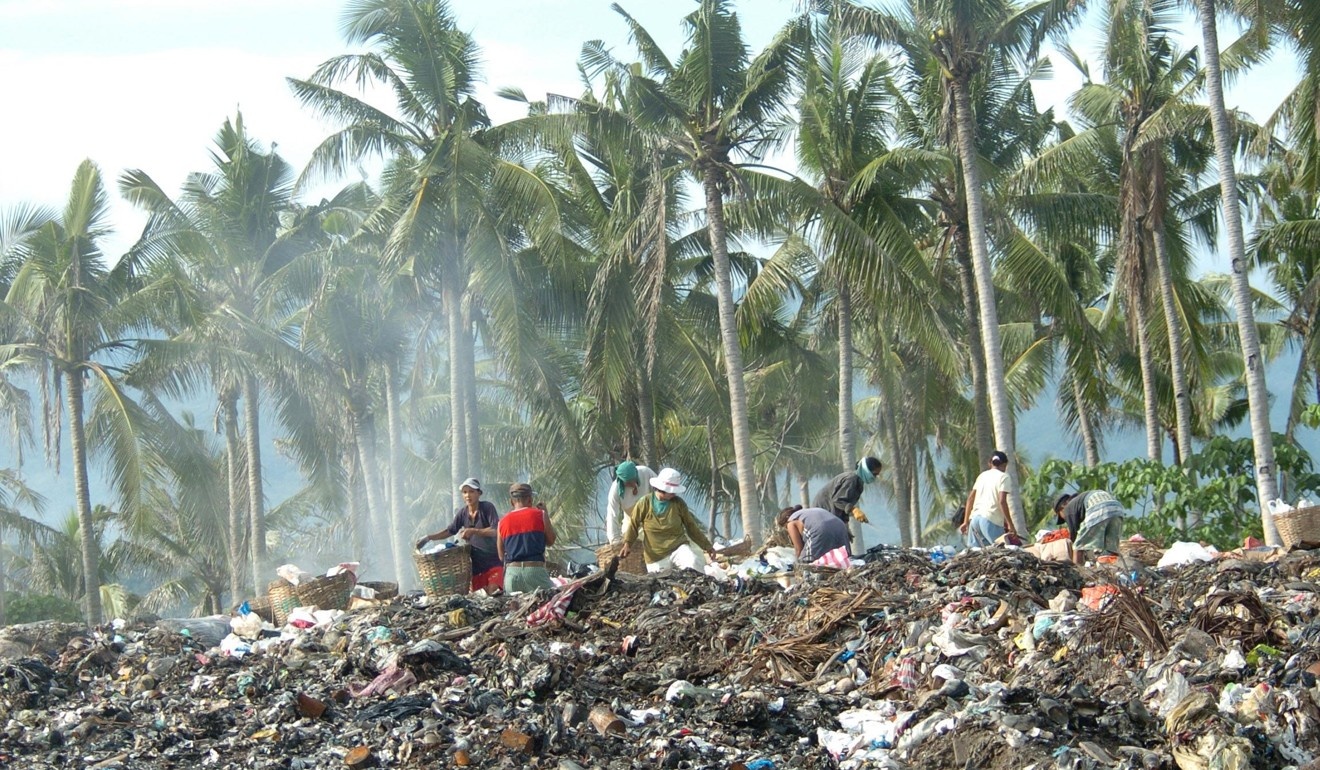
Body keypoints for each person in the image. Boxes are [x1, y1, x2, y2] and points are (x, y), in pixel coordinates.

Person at [620, 467, 718, 572]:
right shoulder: (644, 503)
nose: (674, 494)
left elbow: (691, 527)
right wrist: (627, 544)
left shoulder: (678, 504)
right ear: (662, 489)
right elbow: (633, 525)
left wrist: (707, 546)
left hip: (678, 548)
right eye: (672, 491)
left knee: (693, 563)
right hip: (656, 556)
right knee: (660, 582)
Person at [416, 477, 502, 592]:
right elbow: (450, 531)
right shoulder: (463, 513)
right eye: (465, 492)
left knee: (494, 591)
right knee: (482, 598)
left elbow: (496, 530)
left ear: (479, 493)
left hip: (493, 562)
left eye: (471, 491)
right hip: (476, 567)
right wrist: (428, 538)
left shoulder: (487, 508)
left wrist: (473, 531)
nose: (468, 495)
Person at [497, 482, 558, 593]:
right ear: (530, 500)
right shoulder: (540, 514)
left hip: (512, 574)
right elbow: (551, 540)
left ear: (511, 502)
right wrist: (546, 513)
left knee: (515, 608)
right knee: (552, 600)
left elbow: (501, 555)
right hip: (535, 571)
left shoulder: (501, 522)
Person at [960, 451, 1018, 546]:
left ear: (990, 463)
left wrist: (965, 522)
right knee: (1001, 550)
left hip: (975, 519)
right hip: (990, 520)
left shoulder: (982, 476)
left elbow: (970, 498)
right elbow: (1002, 501)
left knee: (976, 552)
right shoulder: (1004, 477)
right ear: (1005, 464)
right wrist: (1010, 525)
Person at [1058, 489, 1125, 564]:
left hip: (1099, 508)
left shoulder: (1068, 509)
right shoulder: (1080, 500)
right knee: (1111, 547)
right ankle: (1113, 569)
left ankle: (1079, 572)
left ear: (1062, 508)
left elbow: (1075, 535)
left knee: (1078, 546)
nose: (1064, 519)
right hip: (1117, 509)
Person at [813, 457, 884, 526]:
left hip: (832, 517)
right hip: (822, 516)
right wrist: (854, 510)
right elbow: (838, 501)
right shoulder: (852, 479)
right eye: (874, 474)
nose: (875, 477)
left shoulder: (859, 483)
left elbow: (843, 507)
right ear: (866, 470)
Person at [778, 505, 850, 563]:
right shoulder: (809, 511)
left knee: (805, 563)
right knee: (841, 558)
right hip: (840, 526)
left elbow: (798, 549)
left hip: (820, 529)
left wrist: (797, 565)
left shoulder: (791, 521)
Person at [605, 460, 656, 544]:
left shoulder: (646, 473)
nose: (633, 484)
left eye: (634, 480)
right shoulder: (615, 490)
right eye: (628, 482)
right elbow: (612, 515)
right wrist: (614, 540)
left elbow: (661, 492)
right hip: (631, 522)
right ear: (621, 480)